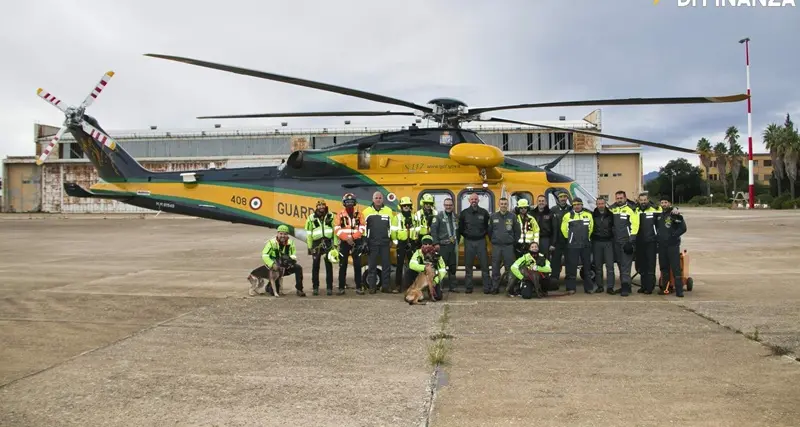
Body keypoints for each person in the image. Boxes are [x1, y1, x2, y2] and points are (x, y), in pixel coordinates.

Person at [247, 224, 305, 297]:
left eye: (285, 234)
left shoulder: (291, 243)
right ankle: (269, 287)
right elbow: (265, 255)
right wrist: (272, 264)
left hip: (284, 267)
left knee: (298, 268)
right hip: (274, 268)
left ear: (287, 235)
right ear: (277, 234)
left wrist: (289, 264)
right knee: (274, 292)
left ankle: (299, 289)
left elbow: (293, 255)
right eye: (281, 233)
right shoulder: (271, 243)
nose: (283, 236)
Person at [458, 192, 491, 293]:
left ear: (478, 200)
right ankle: (468, 287)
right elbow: (461, 228)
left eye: (475, 199)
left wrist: (483, 235)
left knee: (484, 266)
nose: (474, 201)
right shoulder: (464, 213)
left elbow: (487, 227)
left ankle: (486, 287)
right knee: (468, 266)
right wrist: (467, 235)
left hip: (481, 241)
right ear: (469, 201)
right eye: (472, 199)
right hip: (469, 242)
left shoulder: (484, 213)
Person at [560, 197, 594, 294]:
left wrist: (586, 238)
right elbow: (563, 229)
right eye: (575, 205)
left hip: (585, 245)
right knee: (571, 267)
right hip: (572, 245)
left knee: (587, 267)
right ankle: (571, 288)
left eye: (578, 204)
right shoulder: (567, 216)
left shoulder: (588, 215)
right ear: (573, 206)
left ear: (582, 205)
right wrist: (570, 238)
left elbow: (591, 228)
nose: (577, 206)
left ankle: (588, 288)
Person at [362, 191, 394, 294]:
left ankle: (386, 287)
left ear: (383, 199)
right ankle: (372, 287)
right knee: (372, 266)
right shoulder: (366, 212)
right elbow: (364, 228)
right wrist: (365, 242)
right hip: (372, 243)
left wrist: (392, 239)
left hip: (385, 243)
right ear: (373, 199)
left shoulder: (388, 211)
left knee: (386, 266)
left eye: (380, 198)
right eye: (376, 198)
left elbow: (392, 227)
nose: (378, 199)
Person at [304, 199, 338, 296]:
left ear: (325, 206)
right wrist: (310, 247)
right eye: (319, 205)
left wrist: (335, 244)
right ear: (316, 207)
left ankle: (329, 288)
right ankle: (315, 287)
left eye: (323, 205)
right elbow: (309, 233)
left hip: (328, 242)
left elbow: (335, 231)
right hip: (316, 243)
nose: (321, 207)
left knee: (328, 265)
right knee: (315, 265)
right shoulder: (311, 218)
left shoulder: (331, 216)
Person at [334, 193, 365, 295]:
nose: (350, 204)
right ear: (344, 203)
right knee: (343, 265)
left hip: (356, 242)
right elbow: (337, 229)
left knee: (357, 265)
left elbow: (362, 228)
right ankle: (341, 287)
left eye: (351, 202)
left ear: (355, 203)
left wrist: (353, 237)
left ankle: (359, 287)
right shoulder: (340, 215)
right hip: (344, 242)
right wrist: (346, 238)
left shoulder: (359, 214)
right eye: (347, 202)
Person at [656, 196, 687, 297]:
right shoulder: (659, 215)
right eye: (662, 202)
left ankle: (679, 290)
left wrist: (673, 236)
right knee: (664, 268)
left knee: (676, 268)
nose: (664, 204)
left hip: (672, 246)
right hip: (662, 246)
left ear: (669, 203)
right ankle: (666, 288)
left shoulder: (674, 214)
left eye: (666, 202)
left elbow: (683, 228)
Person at [610, 190, 639, 296]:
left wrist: (631, 241)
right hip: (616, 242)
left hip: (627, 242)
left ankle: (626, 288)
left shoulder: (631, 209)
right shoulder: (612, 209)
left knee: (626, 265)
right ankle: (624, 285)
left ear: (625, 198)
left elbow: (635, 225)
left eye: (621, 198)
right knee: (620, 264)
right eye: (617, 198)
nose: (619, 200)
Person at [489, 197, 520, 294]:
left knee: (509, 267)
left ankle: (510, 287)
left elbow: (517, 231)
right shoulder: (493, 216)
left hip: (508, 246)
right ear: (499, 205)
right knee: (495, 267)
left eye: (505, 204)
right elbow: (490, 231)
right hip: (496, 246)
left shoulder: (513, 216)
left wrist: (512, 241)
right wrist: (494, 239)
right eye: (502, 203)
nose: (503, 205)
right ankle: (495, 287)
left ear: (508, 205)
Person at [634, 192, 662, 294]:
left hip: (651, 242)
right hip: (639, 242)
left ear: (648, 200)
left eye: (645, 200)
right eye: (641, 200)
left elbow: (666, 210)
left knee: (650, 265)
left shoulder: (655, 209)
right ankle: (643, 286)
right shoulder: (635, 210)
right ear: (638, 200)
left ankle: (649, 287)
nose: (643, 202)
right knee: (641, 265)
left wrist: (675, 208)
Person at [431, 197, 460, 292]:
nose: (448, 207)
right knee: (441, 267)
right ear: (444, 206)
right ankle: (440, 286)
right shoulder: (438, 217)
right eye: (446, 205)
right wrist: (436, 243)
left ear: (453, 206)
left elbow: (458, 230)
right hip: (442, 246)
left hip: (453, 246)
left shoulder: (456, 217)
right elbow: (433, 231)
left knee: (452, 267)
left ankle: (453, 286)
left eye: (450, 205)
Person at [406, 235, 447, 301]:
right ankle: (411, 290)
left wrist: (435, 280)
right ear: (422, 244)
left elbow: (443, 269)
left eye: (429, 243)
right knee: (409, 272)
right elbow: (411, 264)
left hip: (433, 277)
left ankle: (430, 291)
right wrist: (424, 267)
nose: (427, 245)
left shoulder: (437, 255)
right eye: (425, 243)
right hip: (420, 275)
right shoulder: (418, 253)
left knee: (438, 297)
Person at [391, 196, 418, 292]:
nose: (406, 207)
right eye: (404, 205)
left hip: (412, 242)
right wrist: (396, 242)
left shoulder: (415, 217)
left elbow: (418, 229)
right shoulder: (397, 218)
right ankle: (398, 286)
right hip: (401, 243)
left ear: (411, 206)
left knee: (413, 265)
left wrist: (416, 240)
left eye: (408, 205)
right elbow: (393, 231)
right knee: (399, 265)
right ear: (401, 207)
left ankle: (413, 285)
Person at [591, 197, 615, 294]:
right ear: (596, 204)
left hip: (608, 242)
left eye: (602, 203)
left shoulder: (611, 215)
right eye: (599, 203)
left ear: (605, 204)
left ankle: (610, 287)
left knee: (610, 266)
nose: (600, 205)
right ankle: (600, 286)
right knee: (598, 266)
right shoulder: (593, 215)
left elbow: (614, 227)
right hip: (596, 242)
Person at [549, 191, 573, 282]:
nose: (563, 199)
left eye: (564, 197)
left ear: (567, 198)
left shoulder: (571, 209)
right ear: (558, 198)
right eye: (561, 197)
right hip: (557, 241)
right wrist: (552, 242)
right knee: (555, 262)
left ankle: (569, 281)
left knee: (569, 261)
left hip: (568, 240)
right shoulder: (553, 210)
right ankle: (554, 281)